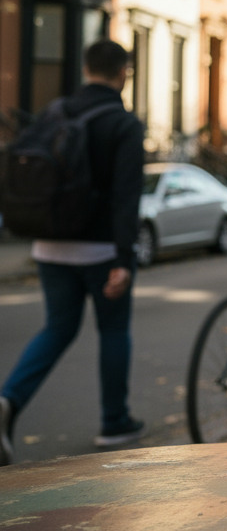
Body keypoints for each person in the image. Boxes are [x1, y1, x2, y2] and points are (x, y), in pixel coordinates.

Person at [0, 40, 146, 466]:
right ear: (123, 73)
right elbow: (125, 197)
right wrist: (124, 258)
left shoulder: (54, 111)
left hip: (49, 243)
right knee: (114, 331)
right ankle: (114, 422)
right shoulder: (123, 124)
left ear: (86, 69)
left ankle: (8, 399)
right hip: (101, 250)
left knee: (57, 328)